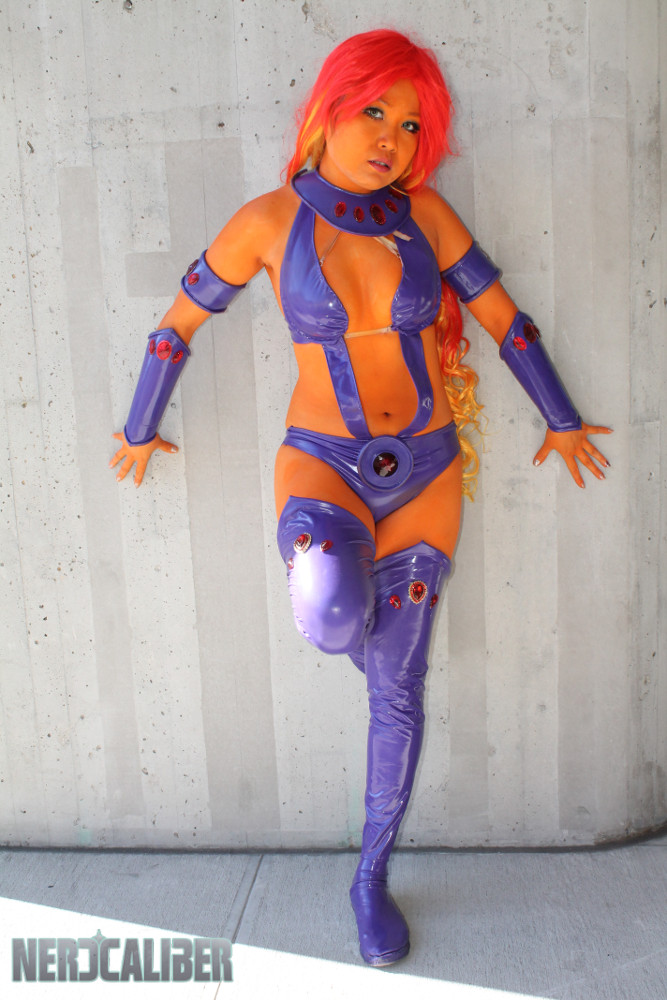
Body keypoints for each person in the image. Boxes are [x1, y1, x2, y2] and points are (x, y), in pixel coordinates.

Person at [110, 29, 611, 967]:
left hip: (427, 466)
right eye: (374, 110)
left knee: (399, 693)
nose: (391, 137)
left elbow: (505, 319)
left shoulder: (426, 214)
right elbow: (176, 326)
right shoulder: (266, 221)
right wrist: (140, 425)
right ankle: (369, 652)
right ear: (328, 110)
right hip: (323, 462)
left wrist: (561, 416)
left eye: (411, 123)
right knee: (334, 617)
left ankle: (369, 878)